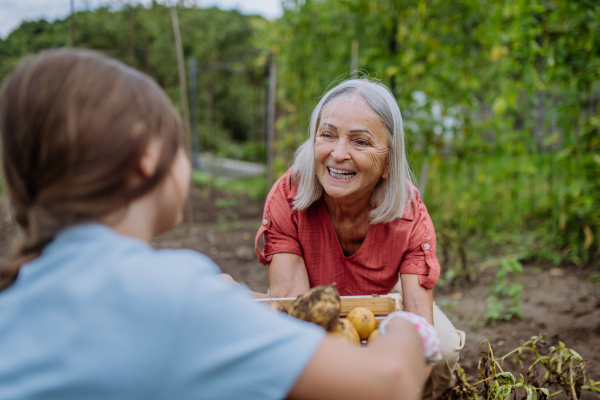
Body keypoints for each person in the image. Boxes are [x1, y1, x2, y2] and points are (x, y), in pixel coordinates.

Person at [0, 49, 438, 400]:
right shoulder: (177, 291)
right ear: (146, 160)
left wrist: (235, 305)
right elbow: (391, 382)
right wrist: (407, 325)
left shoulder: (13, 298)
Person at [254, 78, 466, 400]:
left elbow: (419, 325)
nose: (338, 154)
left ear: (388, 164)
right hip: (308, 303)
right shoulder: (289, 195)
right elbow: (294, 313)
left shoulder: (408, 214)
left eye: (360, 142)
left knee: (444, 348)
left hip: (382, 299)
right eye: (327, 135)